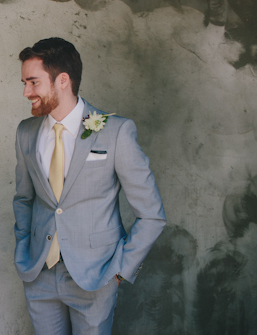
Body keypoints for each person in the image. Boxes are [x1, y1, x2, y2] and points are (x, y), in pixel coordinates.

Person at [12, 38, 166, 335]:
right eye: (24, 83)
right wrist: (23, 249)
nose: (26, 92)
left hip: (96, 276)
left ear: (62, 81)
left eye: (33, 82)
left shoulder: (116, 131)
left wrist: (119, 270)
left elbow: (152, 214)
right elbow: (23, 199)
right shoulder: (25, 133)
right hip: (39, 274)